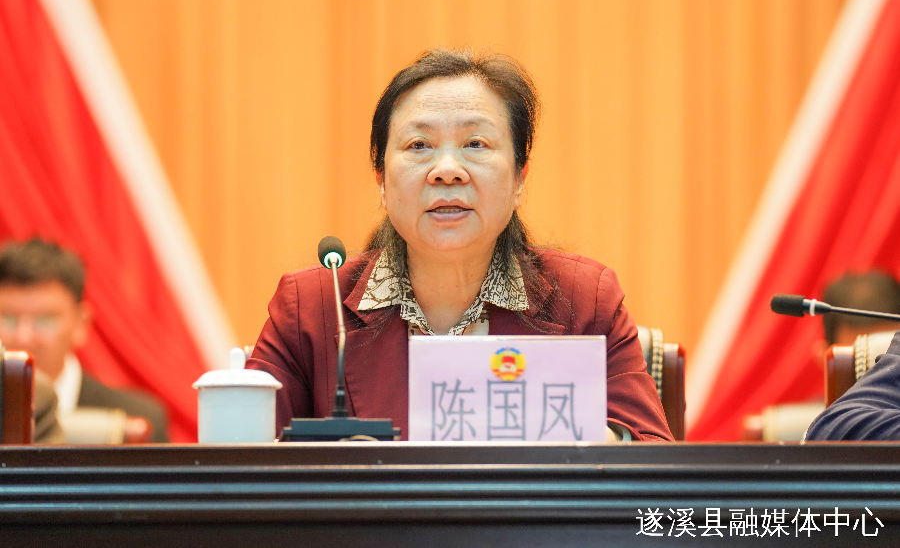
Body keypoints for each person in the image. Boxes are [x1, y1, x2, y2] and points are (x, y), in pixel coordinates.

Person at [247, 48, 672, 442]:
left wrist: (580, 438)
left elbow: (651, 468)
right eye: (419, 145)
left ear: (519, 178)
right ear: (381, 180)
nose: (447, 170)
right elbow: (243, 469)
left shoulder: (585, 301)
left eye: (475, 144)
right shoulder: (313, 309)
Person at [0, 238, 169, 442]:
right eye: (8, 318)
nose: (24, 337)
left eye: (45, 320)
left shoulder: (135, 417)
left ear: (81, 323)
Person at [804, 271, 900, 441]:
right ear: (823, 357)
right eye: (858, 363)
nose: (880, 370)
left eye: (890, 354)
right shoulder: (824, 429)